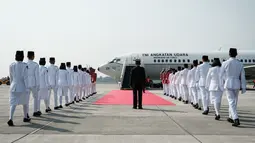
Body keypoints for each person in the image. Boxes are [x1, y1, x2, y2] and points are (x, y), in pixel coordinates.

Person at [220, 48, 246, 126]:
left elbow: (221, 75)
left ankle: (236, 118)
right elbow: (242, 76)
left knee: (231, 102)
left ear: (229, 54)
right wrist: (243, 87)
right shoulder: (240, 64)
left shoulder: (225, 63)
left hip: (228, 83)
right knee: (234, 101)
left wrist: (221, 84)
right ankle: (230, 116)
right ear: (236, 54)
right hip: (237, 84)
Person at [8, 51, 30, 126]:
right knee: (25, 103)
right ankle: (25, 117)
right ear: (23, 57)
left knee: (12, 104)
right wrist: (27, 88)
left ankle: (10, 118)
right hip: (22, 87)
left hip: (13, 87)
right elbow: (26, 78)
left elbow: (11, 77)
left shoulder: (11, 65)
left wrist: (11, 85)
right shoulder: (25, 65)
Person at [26, 51, 40, 117]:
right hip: (33, 83)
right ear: (33, 56)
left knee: (26, 99)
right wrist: (38, 85)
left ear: (27, 56)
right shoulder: (35, 64)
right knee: (35, 98)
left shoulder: (24, 64)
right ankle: (35, 111)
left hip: (26, 83)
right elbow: (37, 76)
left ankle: (26, 113)